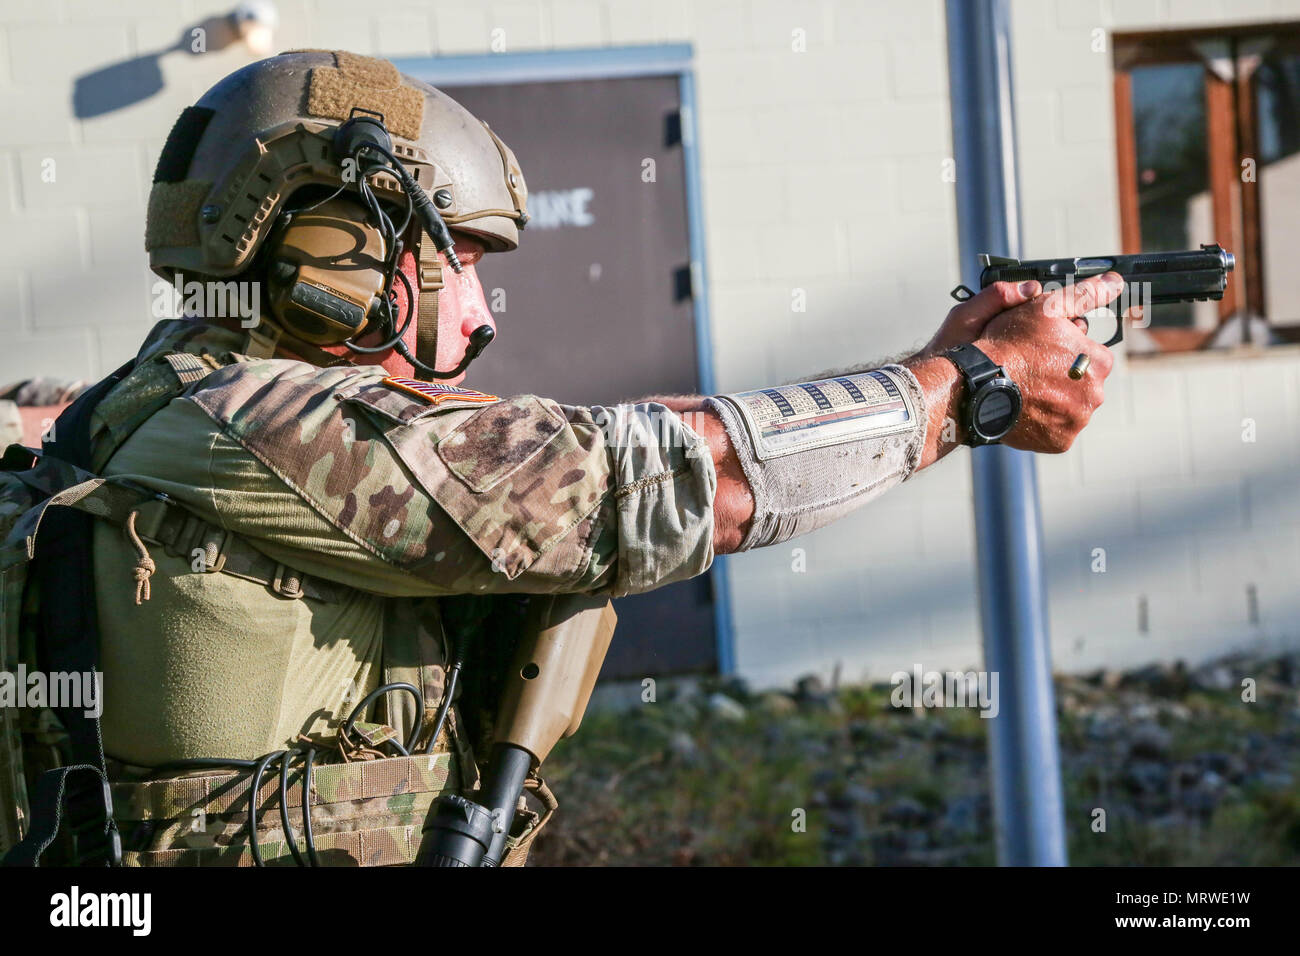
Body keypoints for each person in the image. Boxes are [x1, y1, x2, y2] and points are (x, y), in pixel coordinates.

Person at [0, 50, 1116, 867]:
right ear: (326, 246)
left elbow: (619, 446)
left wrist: (931, 369)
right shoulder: (268, 424)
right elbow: (674, 481)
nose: (483, 314)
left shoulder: (154, 400)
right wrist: (969, 391)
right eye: (459, 260)